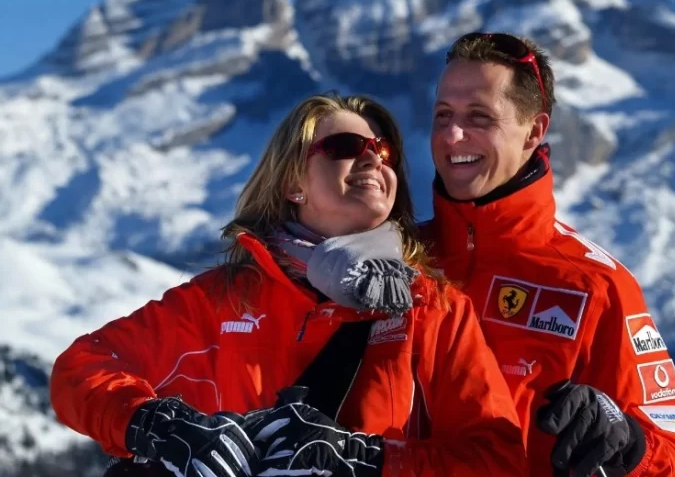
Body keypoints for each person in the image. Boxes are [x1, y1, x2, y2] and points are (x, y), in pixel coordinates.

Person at [50, 93, 527, 477]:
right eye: (345, 147)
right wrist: (163, 427)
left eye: (383, 152)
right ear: (292, 183)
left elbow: (497, 457)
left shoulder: (431, 308)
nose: (371, 159)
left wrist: (368, 463)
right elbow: (81, 368)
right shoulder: (223, 299)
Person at [420, 33, 675, 477]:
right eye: (443, 115)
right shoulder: (400, 259)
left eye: (478, 116)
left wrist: (626, 442)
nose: (453, 135)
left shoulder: (596, 286)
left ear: (534, 131)